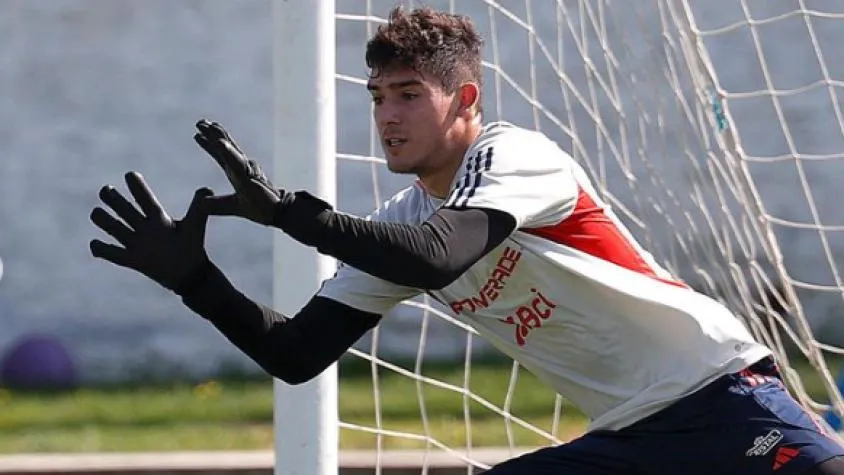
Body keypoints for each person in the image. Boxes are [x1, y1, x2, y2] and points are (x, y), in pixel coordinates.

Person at [89, 6, 844, 474]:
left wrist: (289, 211)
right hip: (627, 441)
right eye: (378, 96)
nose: (387, 117)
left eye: (410, 94)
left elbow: (440, 255)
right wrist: (197, 281)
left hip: (721, 396)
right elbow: (297, 353)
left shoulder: (517, 156)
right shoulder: (400, 222)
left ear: (467, 100)